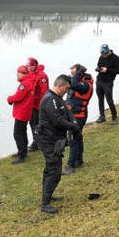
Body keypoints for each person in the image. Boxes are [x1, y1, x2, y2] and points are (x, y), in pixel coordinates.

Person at [35, 74, 80, 214]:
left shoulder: (58, 99)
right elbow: (57, 121)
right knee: (54, 170)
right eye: (66, 89)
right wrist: (72, 127)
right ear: (59, 86)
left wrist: (74, 123)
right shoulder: (49, 100)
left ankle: (47, 195)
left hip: (55, 139)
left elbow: (68, 113)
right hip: (47, 139)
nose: (67, 91)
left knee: (50, 168)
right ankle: (45, 203)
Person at [63, 64, 93, 175]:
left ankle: (70, 165)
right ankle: (78, 160)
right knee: (78, 138)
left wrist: (78, 74)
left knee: (72, 140)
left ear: (80, 73)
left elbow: (74, 84)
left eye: (73, 73)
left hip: (78, 116)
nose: (71, 76)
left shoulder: (85, 85)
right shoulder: (77, 83)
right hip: (74, 115)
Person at [7, 65, 36, 164]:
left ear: (23, 73)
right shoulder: (30, 82)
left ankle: (22, 154)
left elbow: (18, 97)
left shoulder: (25, 84)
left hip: (22, 112)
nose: (17, 74)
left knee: (18, 133)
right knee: (22, 132)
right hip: (26, 111)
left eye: (18, 72)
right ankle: (23, 151)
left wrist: (9, 99)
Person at [26, 57, 49, 151]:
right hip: (32, 104)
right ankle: (36, 141)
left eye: (30, 66)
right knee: (32, 124)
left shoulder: (42, 76)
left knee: (37, 125)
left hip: (38, 106)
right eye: (27, 66)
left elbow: (44, 92)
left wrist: (41, 106)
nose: (28, 68)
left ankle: (38, 143)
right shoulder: (31, 74)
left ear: (35, 66)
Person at [94, 43, 119, 124]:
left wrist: (107, 70)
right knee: (100, 99)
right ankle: (102, 116)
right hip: (99, 80)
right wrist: (98, 69)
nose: (103, 56)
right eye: (102, 55)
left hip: (108, 82)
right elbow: (99, 65)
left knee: (109, 100)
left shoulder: (116, 58)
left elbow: (118, 71)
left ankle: (114, 116)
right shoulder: (101, 57)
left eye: (104, 55)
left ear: (108, 52)